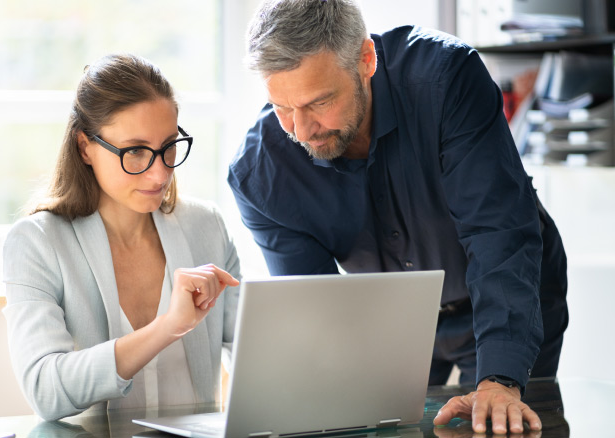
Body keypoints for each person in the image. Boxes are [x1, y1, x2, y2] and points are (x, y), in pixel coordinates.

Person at [228, 0, 568, 434]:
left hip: (506, 290)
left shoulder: (446, 80)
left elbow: (496, 233)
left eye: (319, 102)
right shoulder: (261, 174)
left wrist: (499, 378)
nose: (301, 130)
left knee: (500, 425)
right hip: (393, 322)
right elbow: (320, 312)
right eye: (281, 107)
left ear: (366, 60)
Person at [2, 54, 241, 421]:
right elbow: (45, 391)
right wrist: (166, 328)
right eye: (136, 152)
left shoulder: (206, 225)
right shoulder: (37, 243)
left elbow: (254, 354)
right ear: (85, 147)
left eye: (169, 146)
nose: (160, 174)